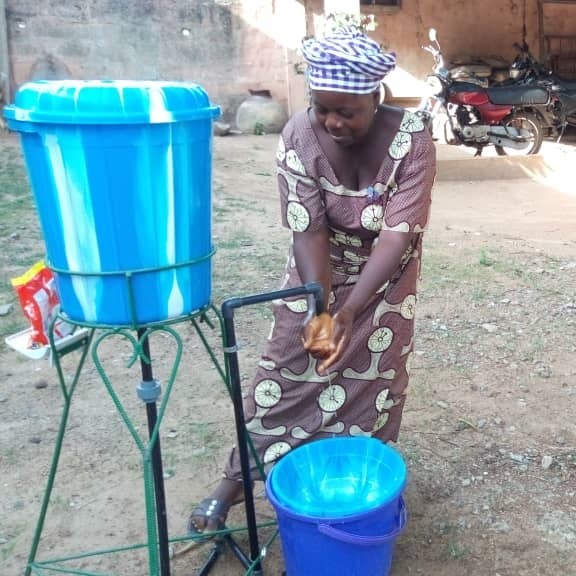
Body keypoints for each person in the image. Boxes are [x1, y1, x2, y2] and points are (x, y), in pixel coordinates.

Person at [187, 26, 436, 536]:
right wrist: (321, 308)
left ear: (376, 96)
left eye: (348, 110)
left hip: (387, 275)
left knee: (374, 378)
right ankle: (234, 482)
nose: (333, 121)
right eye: (323, 107)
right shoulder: (299, 136)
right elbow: (310, 234)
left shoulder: (414, 138)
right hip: (315, 269)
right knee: (286, 365)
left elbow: (396, 236)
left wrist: (352, 311)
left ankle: (357, 484)